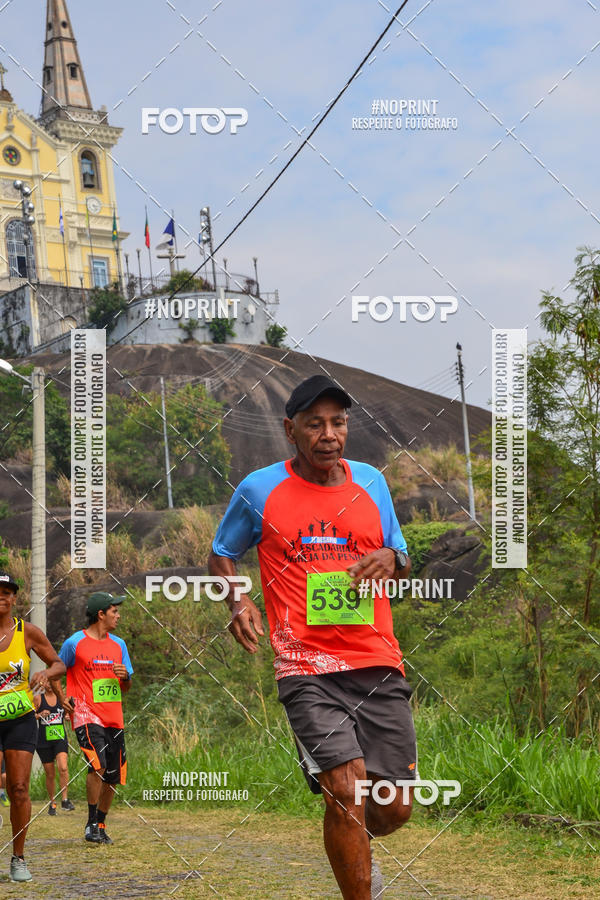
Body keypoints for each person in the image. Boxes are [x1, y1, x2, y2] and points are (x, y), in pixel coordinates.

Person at [209, 375, 416, 900]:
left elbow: (402, 554)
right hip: (306, 667)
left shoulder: (371, 482)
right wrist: (238, 598)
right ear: (290, 430)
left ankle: (353, 848)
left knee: (393, 807)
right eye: (315, 424)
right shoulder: (259, 489)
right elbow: (221, 552)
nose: (329, 434)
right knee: (345, 791)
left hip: (376, 661)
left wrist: (393, 558)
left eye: (338, 423)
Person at [0, 570, 66, 883]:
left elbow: (59, 663)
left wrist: (46, 674)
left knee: (20, 788)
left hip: (20, 720)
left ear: (14, 599)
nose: (3, 596)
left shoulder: (28, 632)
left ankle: (18, 858)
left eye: (8, 592)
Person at [53, 591, 133, 845]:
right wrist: (62, 697)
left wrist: (125, 677)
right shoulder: (74, 643)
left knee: (114, 775)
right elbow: (56, 672)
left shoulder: (119, 645)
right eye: (114, 611)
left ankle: (100, 822)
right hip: (86, 714)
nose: (118, 616)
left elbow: (126, 686)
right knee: (96, 764)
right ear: (101, 614)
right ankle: (89, 823)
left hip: (114, 718)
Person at [34, 686, 75, 814]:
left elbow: (70, 712)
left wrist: (68, 716)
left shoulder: (62, 698)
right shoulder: (38, 698)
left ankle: (65, 800)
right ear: (43, 684)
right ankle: (52, 803)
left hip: (59, 738)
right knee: (50, 774)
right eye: (47, 682)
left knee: (63, 767)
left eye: (52, 682)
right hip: (43, 740)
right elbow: (29, 717)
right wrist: (39, 715)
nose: (50, 685)